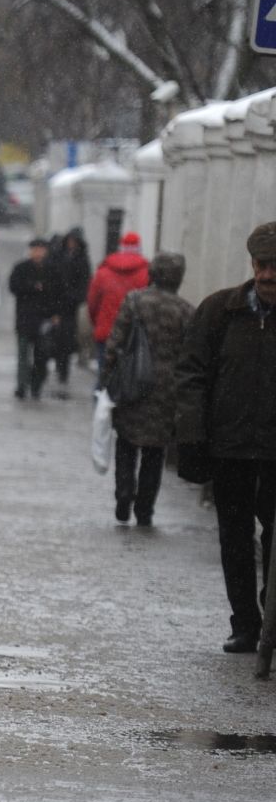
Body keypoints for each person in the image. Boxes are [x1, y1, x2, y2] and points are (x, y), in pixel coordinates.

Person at [174, 222, 276, 662]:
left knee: (274, 538)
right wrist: (193, 439)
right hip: (230, 446)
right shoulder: (219, 311)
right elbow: (192, 375)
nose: (270, 274)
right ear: (252, 264)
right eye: (263, 265)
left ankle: (272, 619)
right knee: (234, 537)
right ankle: (245, 626)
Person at [105, 252, 192, 528]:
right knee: (155, 452)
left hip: (132, 382)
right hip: (167, 390)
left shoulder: (134, 300)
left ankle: (123, 492)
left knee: (126, 442)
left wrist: (108, 377)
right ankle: (145, 508)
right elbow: (191, 356)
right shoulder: (185, 310)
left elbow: (115, 343)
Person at [87, 231, 151, 373]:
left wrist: (96, 323)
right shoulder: (147, 273)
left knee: (104, 377)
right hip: (133, 334)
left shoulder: (103, 272)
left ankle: (101, 394)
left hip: (106, 332)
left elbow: (92, 303)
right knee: (129, 379)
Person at [9, 236, 63, 400]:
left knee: (42, 355)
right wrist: (32, 287)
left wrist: (56, 314)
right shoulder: (21, 268)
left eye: (41, 249)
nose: (38, 253)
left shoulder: (53, 270)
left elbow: (59, 294)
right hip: (25, 318)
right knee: (23, 355)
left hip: (44, 320)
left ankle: (36, 385)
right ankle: (21, 385)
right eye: (35, 249)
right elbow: (14, 287)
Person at [46, 230, 91, 395]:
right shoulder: (58, 256)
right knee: (54, 339)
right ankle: (56, 366)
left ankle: (63, 371)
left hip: (70, 308)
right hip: (55, 305)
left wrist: (74, 297)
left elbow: (84, 284)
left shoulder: (81, 260)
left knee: (66, 340)